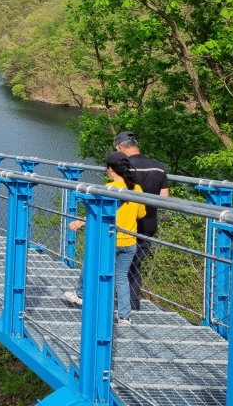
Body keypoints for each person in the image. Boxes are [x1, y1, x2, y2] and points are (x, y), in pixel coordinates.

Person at [63, 151, 146, 325]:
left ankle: (81, 296)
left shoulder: (108, 188)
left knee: (89, 264)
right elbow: (141, 214)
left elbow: (100, 214)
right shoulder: (137, 189)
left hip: (109, 240)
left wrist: (81, 221)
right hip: (129, 242)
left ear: (110, 169)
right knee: (121, 277)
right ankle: (124, 316)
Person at [114, 131, 170, 311]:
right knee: (135, 262)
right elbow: (164, 198)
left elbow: (115, 194)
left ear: (121, 148)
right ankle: (132, 302)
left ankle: (114, 303)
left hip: (124, 224)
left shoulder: (124, 168)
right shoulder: (159, 167)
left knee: (118, 263)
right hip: (149, 223)